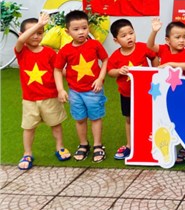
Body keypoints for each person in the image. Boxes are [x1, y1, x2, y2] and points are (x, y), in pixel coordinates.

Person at [15, 13, 70, 170]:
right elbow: (20, 41)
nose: (36, 36)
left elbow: (58, 70)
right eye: (31, 32)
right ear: (22, 34)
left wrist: (67, 82)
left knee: (56, 124)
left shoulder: (49, 52)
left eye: (39, 33)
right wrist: (39, 24)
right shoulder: (21, 51)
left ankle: (60, 147)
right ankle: (27, 153)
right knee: (29, 128)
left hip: (50, 97)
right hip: (30, 99)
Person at [54, 10, 109, 163]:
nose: (81, 32)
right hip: (75, 92)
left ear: (88, 27)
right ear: (67, 31)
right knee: (79, 119)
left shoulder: (95, 44)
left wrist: (100, 78)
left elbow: (105, 60)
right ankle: (84, 144)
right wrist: (60, 89)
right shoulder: (65, 50)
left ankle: (98, 145)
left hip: (94, 90)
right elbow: (57, 69)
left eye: (84, 28)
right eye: (76, 29)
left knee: (96, 118)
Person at [107, 19, 156, 160]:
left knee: (148, 117)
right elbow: (110, 72)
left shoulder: (143, 47)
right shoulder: (115, 56)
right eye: (124, 35)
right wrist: (118, 71)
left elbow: (154, 57)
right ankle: (130, 145)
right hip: (127, 94)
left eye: (131, 33)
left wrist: (155, 71)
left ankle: (150, 142)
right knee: (129, 119)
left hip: (146, 92)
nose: (129, 37)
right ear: (116, 40)